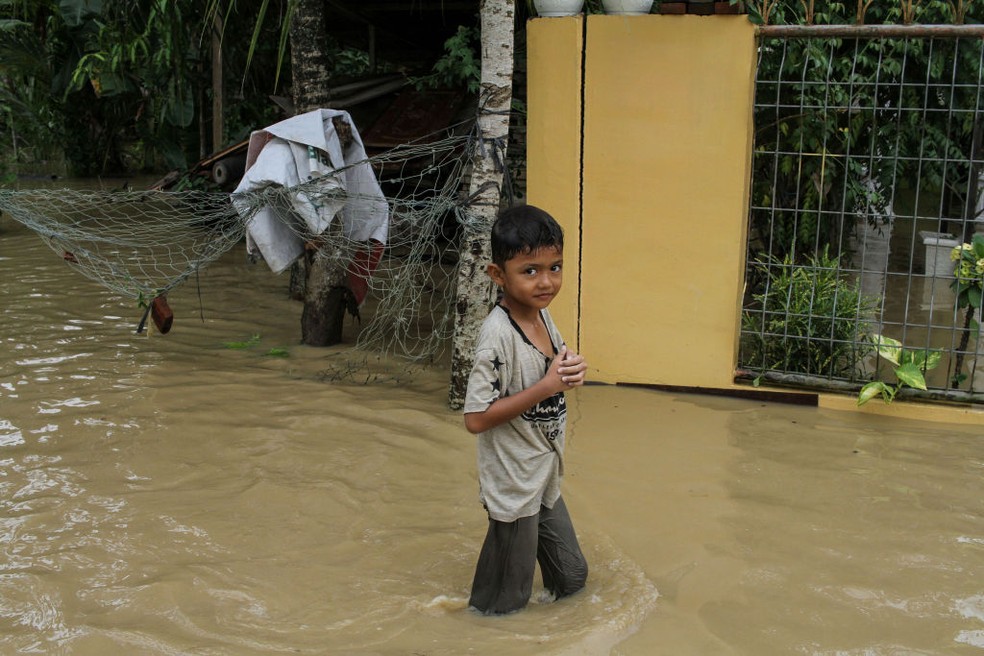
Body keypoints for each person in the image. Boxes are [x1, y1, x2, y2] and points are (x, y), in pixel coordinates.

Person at [462, 204, 589, 615]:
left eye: (555, 267)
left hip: (544, 472)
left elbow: (553, 369)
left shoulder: (542, 316)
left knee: (571, 579)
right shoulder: (495, 339)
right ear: (498, 275)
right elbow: (475, 419)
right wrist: (548, 385)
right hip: (515, 481)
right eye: (530, 270)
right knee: (503, 604)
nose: (546, 281)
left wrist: (570, 371)